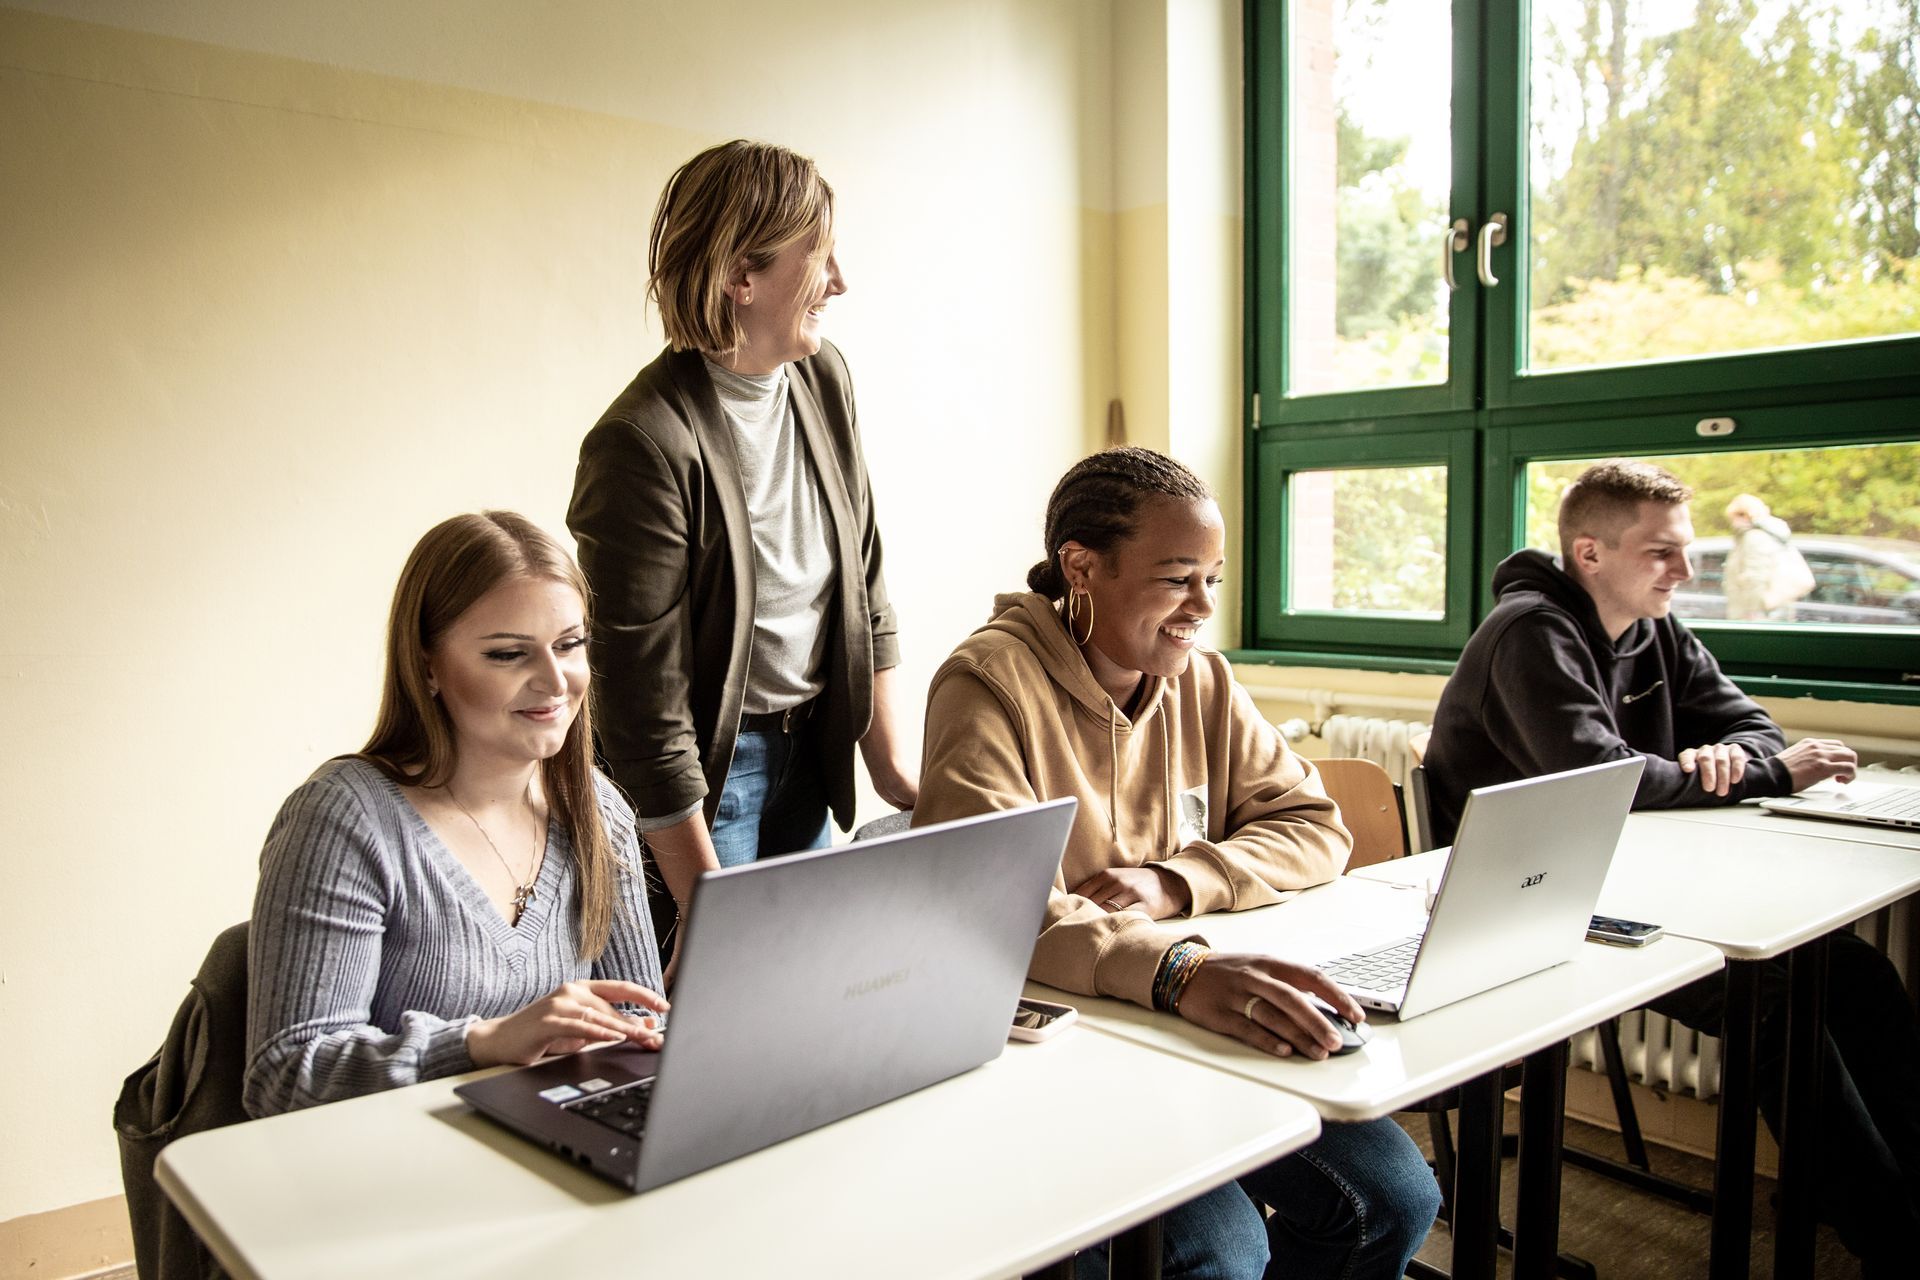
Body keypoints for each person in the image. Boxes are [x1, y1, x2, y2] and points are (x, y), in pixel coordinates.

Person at [915, 448, 1440, 1280]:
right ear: (1080, 568)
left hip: (1187, 1017)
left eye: (1213, 580)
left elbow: (1312, 824)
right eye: (1177, 578)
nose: (1201, 606)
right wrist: (1176, 973)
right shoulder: (988, 682)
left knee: (1393, 1200)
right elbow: (993, 904)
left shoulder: (1203, 680)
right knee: (1221, 1256)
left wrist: (1176, 881)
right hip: (1068, 1047)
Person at [1424, 459, 1919, 1273]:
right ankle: (1893, 1241)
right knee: (1776, 1001)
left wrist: (1734, 756)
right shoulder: (1530, 635)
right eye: (1662, 554)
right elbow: (1606, 780)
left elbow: (1755, 727)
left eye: (1684, 550)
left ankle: (1886, 1193)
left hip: (1641, 883)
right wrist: (1757, 772)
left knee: (1855, 975)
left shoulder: (1655, 629)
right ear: (1590, 554)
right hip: (1528, 905)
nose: (1687, 572)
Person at [568, 139, 916, 969]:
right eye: (820, 259)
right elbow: (642, 711)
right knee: (720, 997)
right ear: (740, 277)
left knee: (807, 989)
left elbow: (865, 584)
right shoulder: (641, 443)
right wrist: (705, 905)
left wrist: (897, 771)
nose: (839, 283)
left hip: (813, 746)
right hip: (701, 780)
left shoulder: (824, 377)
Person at [245, 513, 668, 1117]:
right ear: (426, 667)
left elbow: (636, 1024)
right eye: (507, 654)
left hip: (549, 1148)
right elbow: (285, 1075)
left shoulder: (596, 808)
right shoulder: (344, 819)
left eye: (570, 645)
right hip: (390, 1177)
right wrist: (482, 1044)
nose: (555, 681)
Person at [1722, 491, 1809, 620]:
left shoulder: (1753, 538)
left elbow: (1755, 576)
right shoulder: (1767, 537)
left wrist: (1752, 611)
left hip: (1759, 615)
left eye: (1737, 516)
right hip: (1769, 611)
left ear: (1746, 515)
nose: (1733, 522)